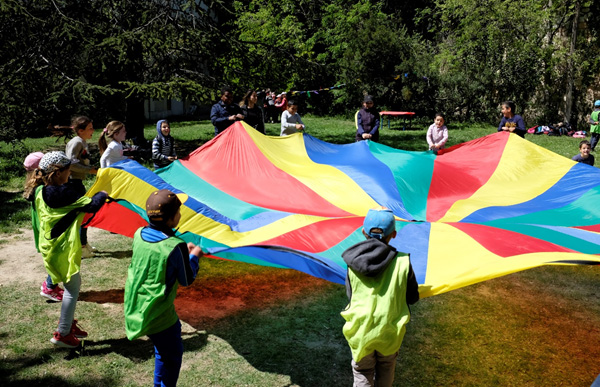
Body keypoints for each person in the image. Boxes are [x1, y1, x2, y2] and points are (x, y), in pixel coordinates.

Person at [124, 189, 203, 387]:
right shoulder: (175, 246)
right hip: (160, 315)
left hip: (137, 306)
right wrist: (194, 256)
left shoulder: (138, 233)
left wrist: (183, 253)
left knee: (163, 352)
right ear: (172, 219)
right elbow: (186, 279)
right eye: (178, 211)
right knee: (171, 357)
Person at [32, 151, 108, 348]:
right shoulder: (63, 193)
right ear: (58, 173)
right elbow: (92, 205)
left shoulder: (40, 190)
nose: (70, 174)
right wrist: (103, 193)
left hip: (50, 246)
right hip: (62, 249)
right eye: (68, 171)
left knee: (71, 288)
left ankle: (67, 326)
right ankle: (63, 333)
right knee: (72, 290)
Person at [340, 207, 420, 387]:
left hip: (360, 331)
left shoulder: (352, 263)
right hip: (389, 332)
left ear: (363, 231)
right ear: (394, 234)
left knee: (362, 371)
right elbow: (412, 297)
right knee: (386, 367)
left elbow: (350, 295)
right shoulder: (403, 262)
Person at [23, 152, 65, 302]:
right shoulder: (42, 189)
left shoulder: (36, 186)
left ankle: (50, 285)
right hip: (47, 230)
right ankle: (49, 287)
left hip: (43, 229)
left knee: (54, 259)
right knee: (55, 261)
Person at [65, 115, 98, 258]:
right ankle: (81, 247)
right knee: (83, 214)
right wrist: (89, 170)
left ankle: (83, 243)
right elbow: (71, 163)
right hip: (73, 183)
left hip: (77, 182)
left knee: (84, 213)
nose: (93, 130)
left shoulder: (81, 141)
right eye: (90, 128)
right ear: (80, 130)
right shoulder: (76, 142)